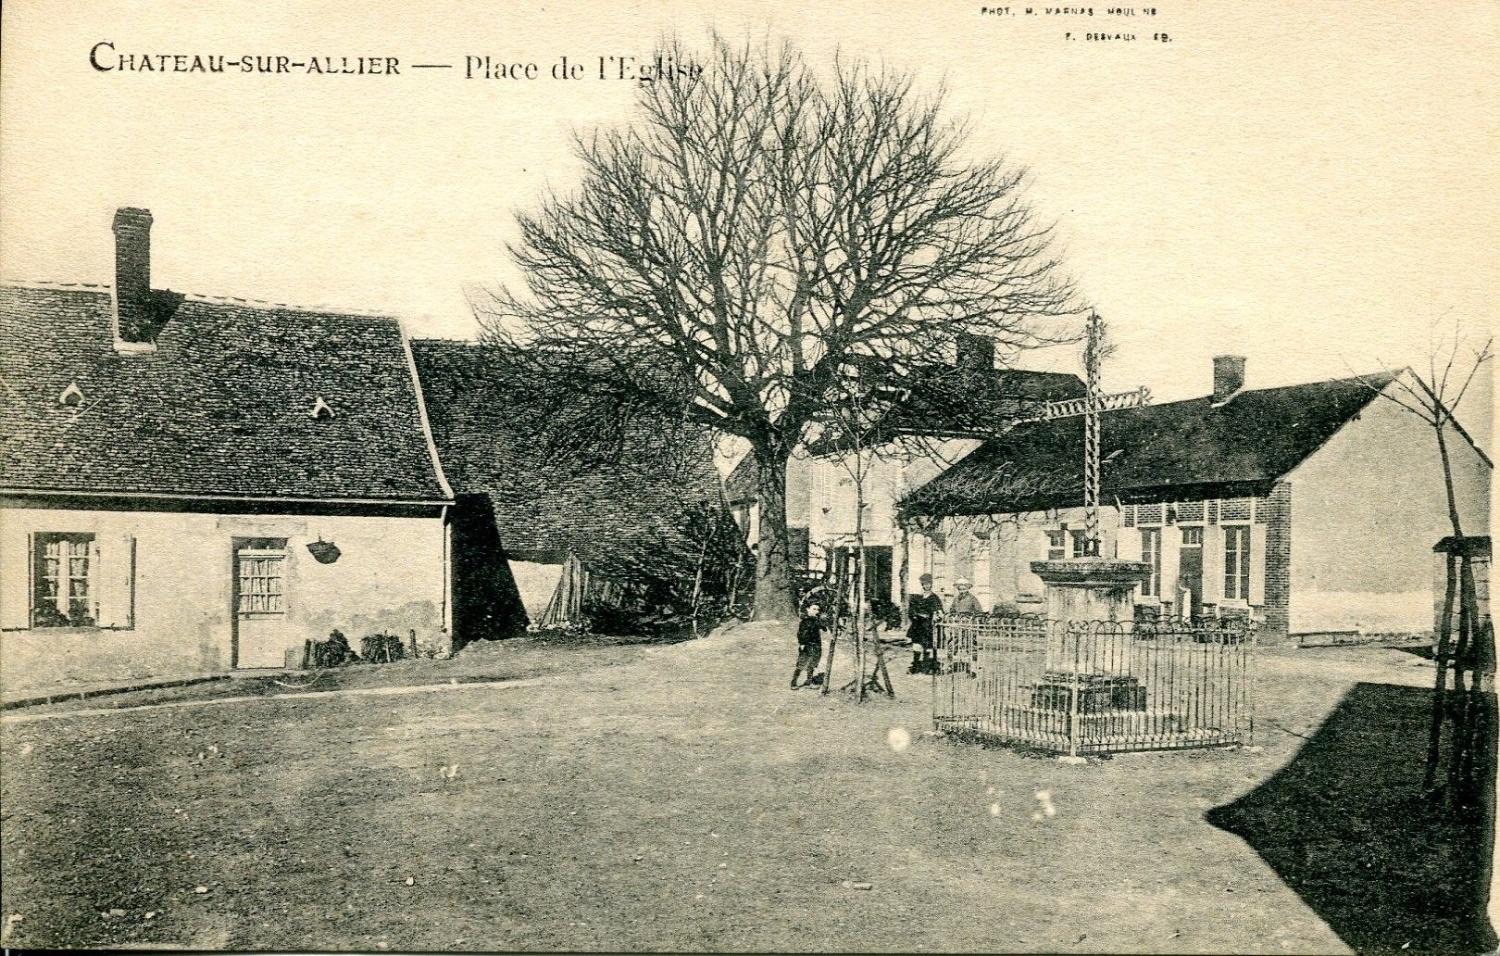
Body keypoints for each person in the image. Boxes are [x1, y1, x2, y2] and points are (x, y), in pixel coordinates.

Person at [906, 573, 943, 674]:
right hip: (917, 625)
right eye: (924, 584)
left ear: (931, 584)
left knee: (928, 646)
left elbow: (940, 611)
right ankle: (916, 666)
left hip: (928, 626)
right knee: (917, 645)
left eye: (929, 583)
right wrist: (915, 615)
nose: (927, 586)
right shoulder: (917, 597)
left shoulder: (935, 598)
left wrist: (937, 616)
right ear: (922, 584)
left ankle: (928, 666)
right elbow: (911, 611)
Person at [792, 602, 825, 689]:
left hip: (816, 645)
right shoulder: (805, 621)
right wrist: (802, 643)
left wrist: (823, 620)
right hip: (807, 645)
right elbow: (801, 633)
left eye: (818, 609)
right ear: (808, 609)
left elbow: (824, 627)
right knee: (802, 663)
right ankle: (793, 682)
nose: (816, 611)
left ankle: (809, 681)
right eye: (814, 609)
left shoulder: (817, 620)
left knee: (812, 663)